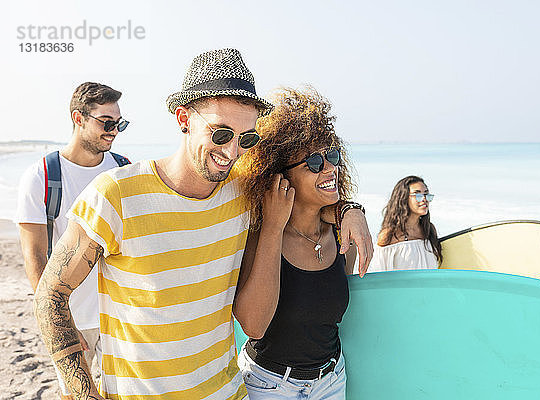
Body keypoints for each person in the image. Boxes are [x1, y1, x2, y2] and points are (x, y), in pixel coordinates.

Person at [33, 49, 372, 400]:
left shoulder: (243, 195)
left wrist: (350, 210)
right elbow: (51, 294)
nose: (232, 151)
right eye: (220, 133)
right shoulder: (115, 195)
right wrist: (83, 393)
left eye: (247, 138)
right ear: (183, 119)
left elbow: (305, 200)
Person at [233, 87, 359, 399]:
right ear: (280, 178)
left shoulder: (342, 234)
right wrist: (274, 226)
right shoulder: (259, 235)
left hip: (332, 380)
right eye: (314, 162)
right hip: (270, 384)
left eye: (332, 155)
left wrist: (351, 209)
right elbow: (253, 326)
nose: (330, 168)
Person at [15, 81, 129, 399]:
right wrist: (60, 325)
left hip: (117, 316)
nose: (115, 130)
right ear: (78, 119)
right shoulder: (41, 177)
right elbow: (35, 256)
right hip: (71, 317)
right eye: (107, 122)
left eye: (120, 123)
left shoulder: (123, 170)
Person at [371, 175, 442, 271]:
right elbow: (379, 273)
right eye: (418, 195)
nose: (424, 199)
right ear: (403, 198)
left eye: (426, 194)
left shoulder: (429, 230)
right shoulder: (389, 235)